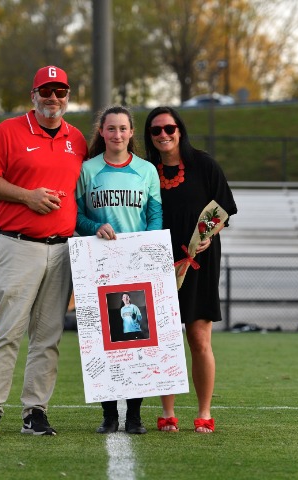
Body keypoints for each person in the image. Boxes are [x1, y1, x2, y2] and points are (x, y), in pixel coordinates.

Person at [0, 66, 88, 436]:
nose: (53, 98)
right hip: (18, 244)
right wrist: (27, 196)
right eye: (46, 91)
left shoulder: (77, 138)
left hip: (62, 248)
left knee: (48, 336)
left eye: (60, 91)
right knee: (8, 331)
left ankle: (35, 412)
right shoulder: (8, 131)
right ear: (33, 95)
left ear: (68, 96)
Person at [143, 106, 237, 434]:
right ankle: (167, 413)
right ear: (149, 136)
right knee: (165, 340)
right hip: (157, 262)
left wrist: (208, 235)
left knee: (198, 338)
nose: (163, 135)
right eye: (156, 130)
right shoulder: (145, 170)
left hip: (199, 260)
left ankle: (204, 412)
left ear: (180, 130)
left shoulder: (204, 164)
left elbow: (224, 208)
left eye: (169, 128)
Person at [75, 105, 162, 434]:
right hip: (99, 263)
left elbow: (155, 214)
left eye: (123, 128)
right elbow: (75, 216)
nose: (117, 134)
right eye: (111, 128)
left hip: (136, 263)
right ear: (102, 132)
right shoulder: (88, 170)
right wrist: (94, 227)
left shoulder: (146, 170)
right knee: (102, 340)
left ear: (131, 132)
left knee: (137, 340)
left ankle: (135, 415)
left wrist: (148, 245)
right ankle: (109, 415)